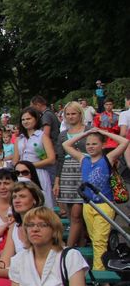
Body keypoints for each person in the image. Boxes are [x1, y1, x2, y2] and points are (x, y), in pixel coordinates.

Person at [63, 128, 130, 271]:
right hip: (88, 205)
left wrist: (103, 133)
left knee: (100, 241)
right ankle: (102, 269)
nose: (91, 147)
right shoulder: (83, 159)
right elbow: (66, 145)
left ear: (102, 145)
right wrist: (85, 134)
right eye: (88, 144)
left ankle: (99, 273)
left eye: (94, 144)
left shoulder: (108, 158)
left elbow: (124, 142)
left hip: (105, 204)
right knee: (95, 239)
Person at [54, 101, 89, 247]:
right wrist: (57, 181)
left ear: (80, 114)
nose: (70, 116)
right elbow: (60, 159)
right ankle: (80, 245)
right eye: (67, 114)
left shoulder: (89, 130)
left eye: (73, 113)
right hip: (67, 174)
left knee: (76, 214)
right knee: (72, 215)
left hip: (84, 171)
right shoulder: (62, 135)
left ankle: (68, 248)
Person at [13, 107, 56, 207]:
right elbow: (15, 160)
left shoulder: (42, 136)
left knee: (41, 201)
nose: (25, 122)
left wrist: (30, 166)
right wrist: (20, 168)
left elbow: (51, 159)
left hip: (39, 173)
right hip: (22, 175)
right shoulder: (19, 139)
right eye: (23, 119)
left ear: (36, 119)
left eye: (28, 119)